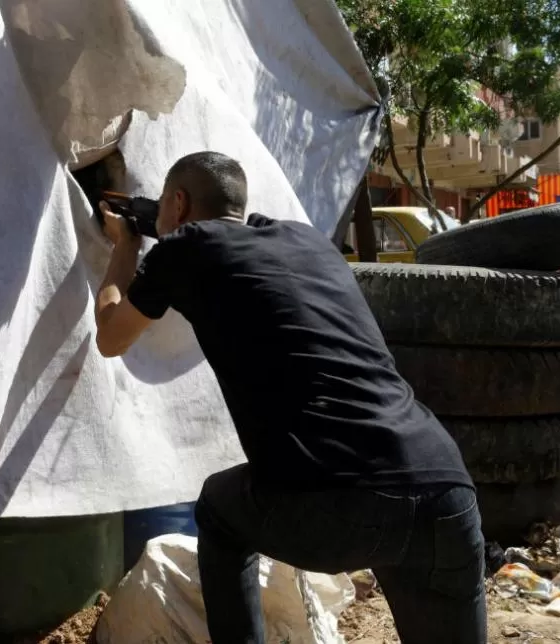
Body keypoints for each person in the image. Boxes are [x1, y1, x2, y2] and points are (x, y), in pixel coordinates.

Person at [92, 151, 486, 644]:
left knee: (219, 508)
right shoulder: (310, 242)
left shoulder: (186, 246)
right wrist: (155, 217)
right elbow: (231, 240)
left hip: (335, 502)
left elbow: (111, 336)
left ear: (179, 202)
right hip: (443, 489)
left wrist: (125, 246)